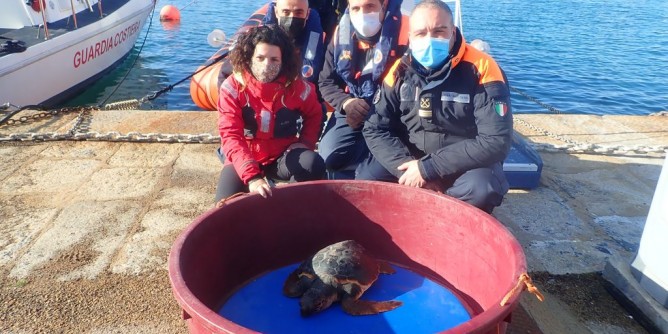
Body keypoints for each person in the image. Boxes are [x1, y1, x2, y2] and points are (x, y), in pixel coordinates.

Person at [358, 0, 513, 213]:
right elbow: (375, 127)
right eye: (421, 33)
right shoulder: (399, 70)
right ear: (410, 37)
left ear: (453, 31)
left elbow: (496, 140)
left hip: (465, 163)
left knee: (482, 189)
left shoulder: (483, 68)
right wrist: (408, 169)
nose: (430, 39)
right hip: (412, 159)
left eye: (439, 31)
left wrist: (428, 169)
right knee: (367, 179)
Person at [215, 25, 326, 201]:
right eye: (260, 58)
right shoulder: (232, 87)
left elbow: (315, 114)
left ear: (284, 61)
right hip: (246, 154)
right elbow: (230, 136)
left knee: (312, 164)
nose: (266, 65)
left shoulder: (297, 87)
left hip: (282, 154)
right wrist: (252, 177)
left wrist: (305, 142)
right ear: (249, 58)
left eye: (274, 59)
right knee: (224, 205)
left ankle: (296, 210)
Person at [317, 0, 408, 178]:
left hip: (393, 113)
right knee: (328, 157)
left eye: (370, 6)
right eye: (356, 8)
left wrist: (374, 115)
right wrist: (346, 103)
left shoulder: (408, 33)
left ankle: (377, 160)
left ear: (384, 5)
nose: (362, 13)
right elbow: (326, 81)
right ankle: (368, 150)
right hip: (353, 106)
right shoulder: (340, 34)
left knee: (379, 171)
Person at [218, 0, 326, 90]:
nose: (292, 18)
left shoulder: (315, 41)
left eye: (298, 13)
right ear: (276, 12)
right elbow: (226, 74)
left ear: (307, 14)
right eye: (286, 12)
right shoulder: (256, 41)